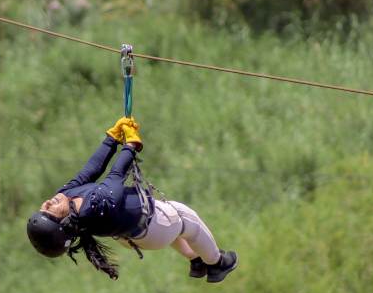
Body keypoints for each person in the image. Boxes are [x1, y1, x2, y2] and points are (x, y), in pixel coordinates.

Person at [26, 116, 238, 282]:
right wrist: (131, 145)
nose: (46, 203)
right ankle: (218, 264)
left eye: (42, 208)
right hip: (153, 229)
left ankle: (196, 260)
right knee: (185, 218)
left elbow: (89, 171)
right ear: (65, 222)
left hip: (136, 233)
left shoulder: (65, 198)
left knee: (176, 228)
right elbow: (115, 178)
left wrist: (111, 139)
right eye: (49, 213)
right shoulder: (93, 208)